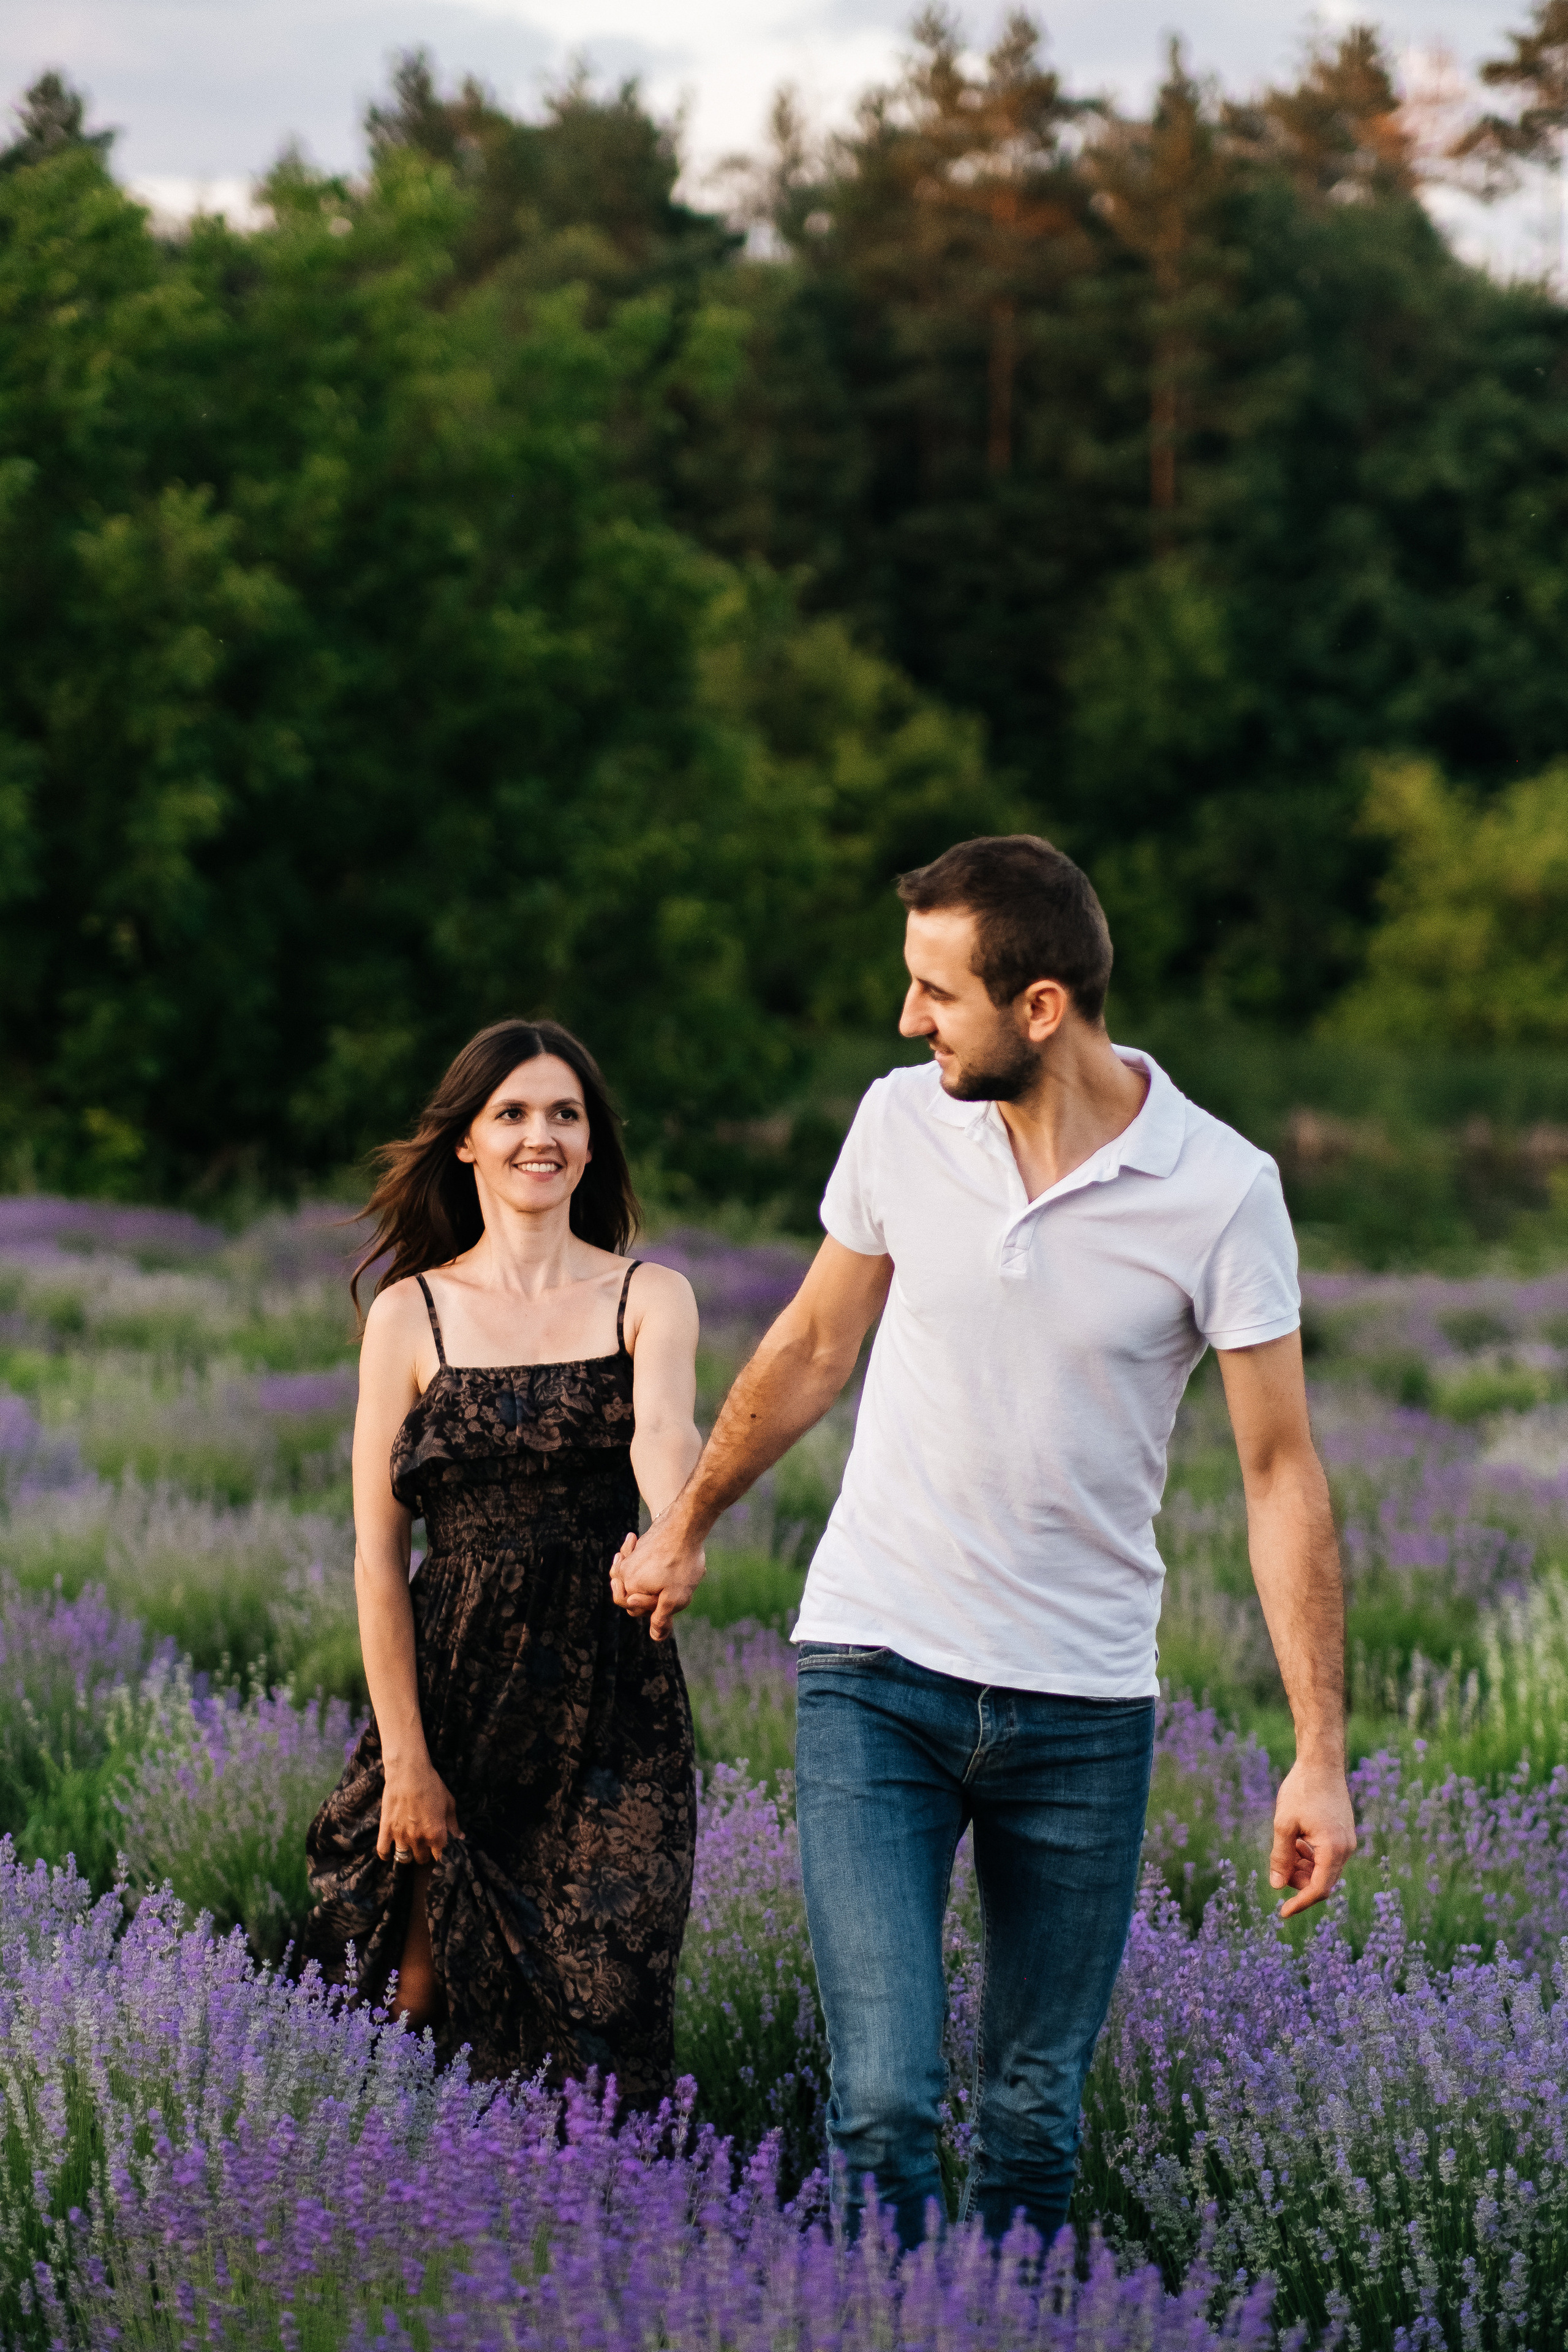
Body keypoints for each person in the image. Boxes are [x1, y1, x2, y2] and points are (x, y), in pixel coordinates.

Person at [612, 834, 1357, 2249]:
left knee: (1030, 2111)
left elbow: (1280, 1475)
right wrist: (686, 1524)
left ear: (1040, 1006)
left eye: (934, 994)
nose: (907, 1021)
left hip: (1080, 1709)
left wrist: (1315, 1751)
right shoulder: (901, 1123)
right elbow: (814, 1343)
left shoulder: (1221, 1188)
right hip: (872, 1670)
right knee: (883, 2099)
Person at [306, 1017, 700, 2101]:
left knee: (609, 2007)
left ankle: (607, 2238)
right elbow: (379, 1561)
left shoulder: (647, 1295)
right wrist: (406, 1760)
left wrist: (675, 1531)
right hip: (457, 1698)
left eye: (565, 1114)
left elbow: (667, 1433)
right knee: (415, 2002)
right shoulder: (410, 1316)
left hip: (612, 1710)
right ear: (467, 1142)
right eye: (514, 1113)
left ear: (591, 1142)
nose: (543, 1135)